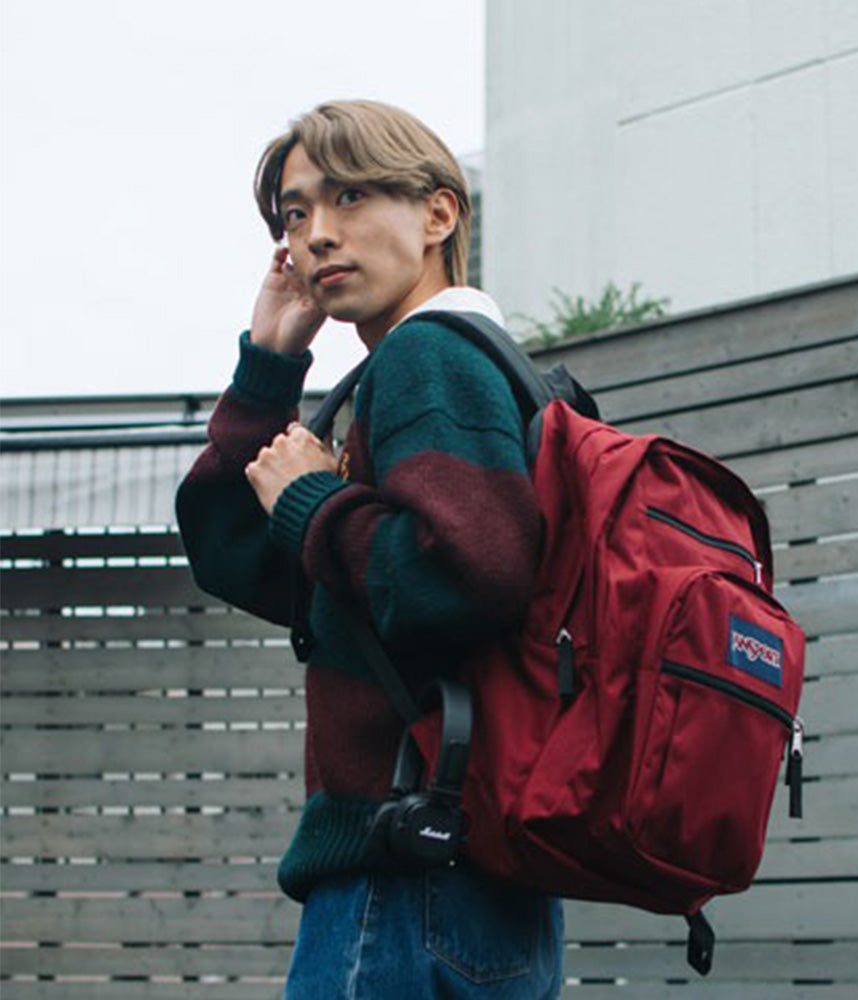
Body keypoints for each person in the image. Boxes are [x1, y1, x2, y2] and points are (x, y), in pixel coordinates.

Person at [175, 100, 564, 998]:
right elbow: (239, 556)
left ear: (438, 214)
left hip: (401, 877)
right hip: (469, 881)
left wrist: (315, 500)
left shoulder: (429, 359)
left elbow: (468, 575)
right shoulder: (456, 367)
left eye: (348, 196)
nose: (316, 234)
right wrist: (270, 365)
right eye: (295, 213)